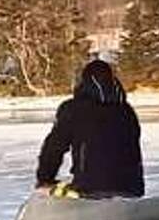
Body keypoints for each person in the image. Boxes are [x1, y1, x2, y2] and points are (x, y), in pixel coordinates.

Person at [36, 59, 144, 197]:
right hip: (131, 188)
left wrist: (44, 178)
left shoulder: (73, 109)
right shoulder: (126, 111)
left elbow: (54, 148)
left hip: (89, 189)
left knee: (54, 193)